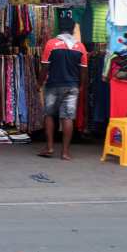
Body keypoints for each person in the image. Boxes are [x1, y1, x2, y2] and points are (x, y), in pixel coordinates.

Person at [38, 17, 87, 161]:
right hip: (72, 87)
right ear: (73, 29)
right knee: (68, 117)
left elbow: (44, 67)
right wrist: (82, 86)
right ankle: (65, 152)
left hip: (53, 85)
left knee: (49, 115)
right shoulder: (80, 47)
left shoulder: (51, 44)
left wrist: (39, 83)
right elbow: (84, 71)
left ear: (59, 28)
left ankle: (49, 147)